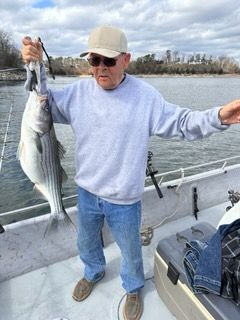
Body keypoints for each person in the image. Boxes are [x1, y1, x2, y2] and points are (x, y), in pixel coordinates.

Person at [21, 25, 240, 320]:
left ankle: (134, 287)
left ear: (126, 59)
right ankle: (93, 271)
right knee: (85, 242)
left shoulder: (145, 97)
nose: (100, 68)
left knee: (130, 250)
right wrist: (34, 66)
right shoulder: (77, 93)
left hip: (125, 200)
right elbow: (42, 103)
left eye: (108, 61)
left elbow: (183, 123)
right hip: (86, 194)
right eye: (93, 60)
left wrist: (218, 118)